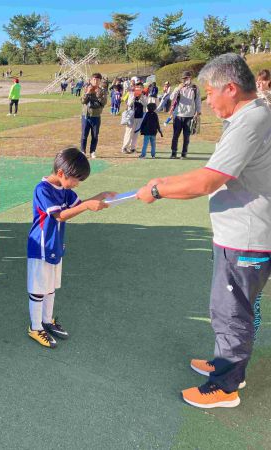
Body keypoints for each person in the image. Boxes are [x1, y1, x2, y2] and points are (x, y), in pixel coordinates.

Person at [136, 53, 271, 409]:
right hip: (241, 234)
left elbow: (209, 179)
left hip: (246, 238)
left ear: (230, 87)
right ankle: (227, 364)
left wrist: (156, 190)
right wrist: (164, 180)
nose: (206, 100)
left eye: (210, 92)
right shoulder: (251, 117)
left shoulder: (250, 121)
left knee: (231, 311)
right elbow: (213, 170)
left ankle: (225, 386)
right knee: (229, 308)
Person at [26, 149, 113, 348]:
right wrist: (87, 206)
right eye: (75, 180)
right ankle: (35, 327)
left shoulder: (65, 190)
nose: (77, 184)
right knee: (39, 289)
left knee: (50, 288)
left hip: (55, 244)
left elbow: (79, 205)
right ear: (61, 174)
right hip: (40, 246)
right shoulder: (42, 189)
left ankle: (47, 321)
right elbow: (60, 216)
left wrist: (103, 196)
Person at [169, 71, 202, 159]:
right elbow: (171, 98)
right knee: (175, 135)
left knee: (186, 137)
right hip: (178, 115)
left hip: (190, 116)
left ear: (190, 78)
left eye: (186, 78)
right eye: (183, 78)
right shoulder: (179, 88)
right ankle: (173, 153)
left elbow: (198, 100)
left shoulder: (195, 88)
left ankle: (184, 153)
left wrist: (198, 112)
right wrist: (178, 89)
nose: (185, 80)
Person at [80, 73, 107, 159]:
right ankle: (83, 151)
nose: (95, 81)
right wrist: (87, 92)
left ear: (100, 81)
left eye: (98, 80)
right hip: (86, 115)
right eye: (94, 79)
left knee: (95, 135)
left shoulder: (102, 90)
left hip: (96, 116)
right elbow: (82, 101)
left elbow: (104, 102)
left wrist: (99, 95)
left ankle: (92, 151)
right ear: (91, 80)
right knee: (84, 134)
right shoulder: (85, 88)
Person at [121, 84, 147, 154]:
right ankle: (125, 147)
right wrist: (134, 96)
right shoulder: (131, 94)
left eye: (140, 88)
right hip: (131, 117)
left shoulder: (143, 96)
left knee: (136, 133)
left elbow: (145, 104)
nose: (139, 89)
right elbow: (129, 104)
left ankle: (133, 148)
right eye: (137, 88)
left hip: (139, 117)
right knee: (129, 132)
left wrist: (141, 97)